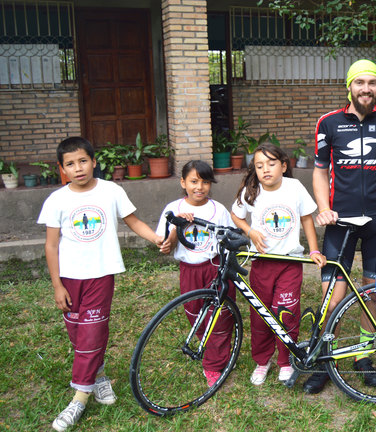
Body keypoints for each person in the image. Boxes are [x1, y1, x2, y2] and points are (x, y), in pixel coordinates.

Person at [37, 137, 163, 431]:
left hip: (100, 275)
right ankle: (99, 376)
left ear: (94, 162)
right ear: (62, 169)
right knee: (78, 333)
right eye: (70, 164)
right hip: (69, 278)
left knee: (92, 334)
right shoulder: (57, 200)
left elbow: (133, 221)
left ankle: (78, 400)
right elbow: (51, 246)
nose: (78, 168)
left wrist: (156, 237)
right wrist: (57, 285)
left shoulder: (111, 191)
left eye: (83, 161)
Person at [306, 58, 376, 394]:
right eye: (360, 83)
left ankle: (365, 355)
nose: (366, 89)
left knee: (372, 291)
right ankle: (325, 356)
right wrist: (323, 208)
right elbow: (320, 170)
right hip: (340, 221)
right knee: (331, 295)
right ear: (349, 86)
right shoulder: (329, 122)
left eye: (372, 83)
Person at [231, 143, 326, 386]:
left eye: (271, 164)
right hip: (262, 264)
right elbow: (236, 215)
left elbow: (306, 218)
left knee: (285, 312)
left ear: (283, 166)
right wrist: (249, 232)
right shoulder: (251, 190)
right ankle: (263, 360)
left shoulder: (294, 187)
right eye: (259, 166)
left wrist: (314, 249)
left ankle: (286, 360)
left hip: (289, 263)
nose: (265, 170)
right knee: (261, 313)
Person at [156, 160, 235, 387]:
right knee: (195, 313)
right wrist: (177, 225)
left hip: (214, 267)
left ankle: (213, 364)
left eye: (205, 182)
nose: (199, 187)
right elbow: (167, 246)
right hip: (189, 270)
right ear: (183, 182)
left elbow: (229, 237)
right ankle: (211, 346)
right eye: (193, 181)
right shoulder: (173, 209)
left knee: (219, 316)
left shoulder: (218, 210)